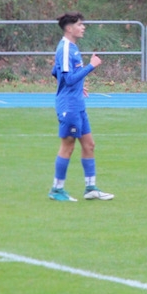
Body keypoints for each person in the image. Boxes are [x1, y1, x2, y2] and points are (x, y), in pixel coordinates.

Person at [48, 12, 113, 202]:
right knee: (68, 146)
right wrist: (91, 66)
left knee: (89, 145)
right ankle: (57, 189)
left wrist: (78, 85)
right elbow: (67, 79)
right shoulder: (65, 48)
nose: (83, 27)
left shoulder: (73, 47)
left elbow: (56, 72)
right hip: (69, 106)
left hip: (77, 104)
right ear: (69, 28)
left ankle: (91, 188)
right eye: (79, 24)